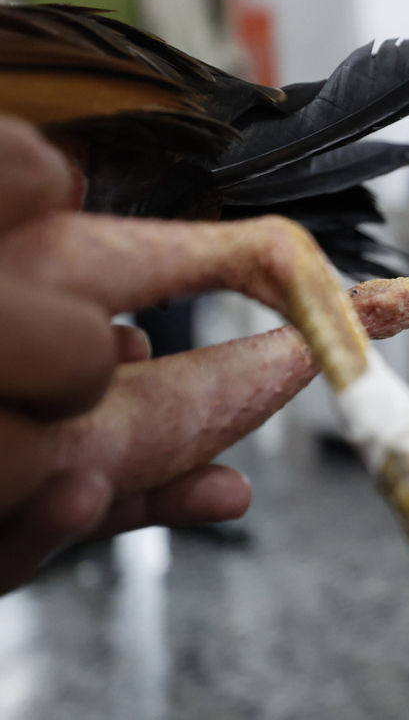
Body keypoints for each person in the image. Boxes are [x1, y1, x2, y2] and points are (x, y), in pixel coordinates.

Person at [0, 116, 252, 593]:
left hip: (177, 140)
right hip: (143, 135)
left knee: (157, 336)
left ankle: (153, 478)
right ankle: (86, 508)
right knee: (80, 345)